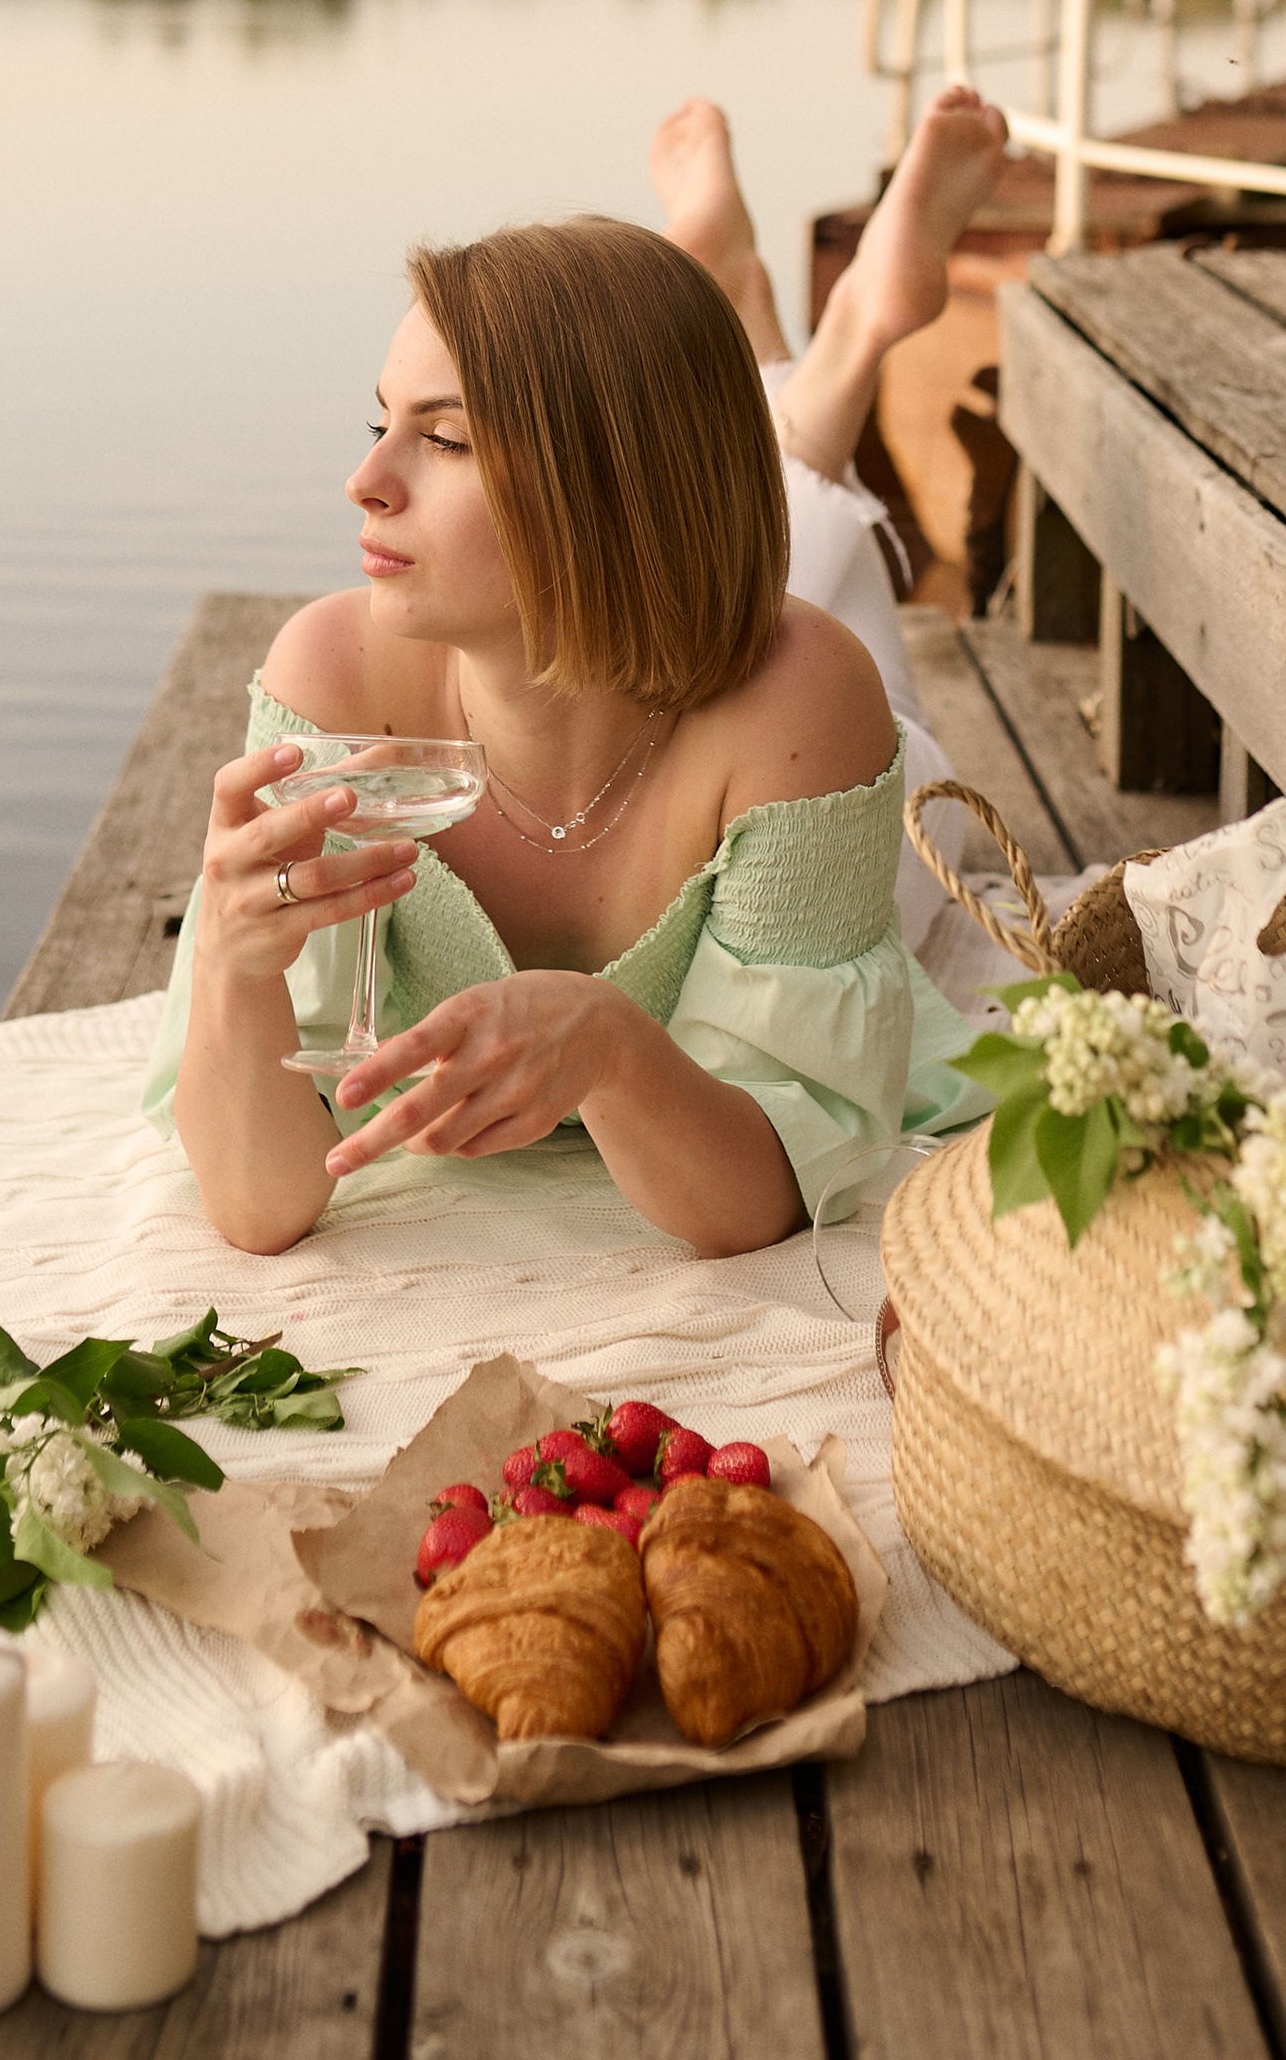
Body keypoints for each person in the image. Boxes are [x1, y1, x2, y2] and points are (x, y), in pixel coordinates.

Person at [143, 86, 1012, 1259]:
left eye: (443, 439)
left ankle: (838, 323)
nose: (369, 482)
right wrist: (238, 984)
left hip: (841, 771)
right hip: (660, 586)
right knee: (787, 491)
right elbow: (260, 1206)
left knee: (827, 546)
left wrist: (611, 1043)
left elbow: (763, 1187)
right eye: (380, 422)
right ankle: (745, 292)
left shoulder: (803, 707)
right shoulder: (334, 680)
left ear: (604, 486)